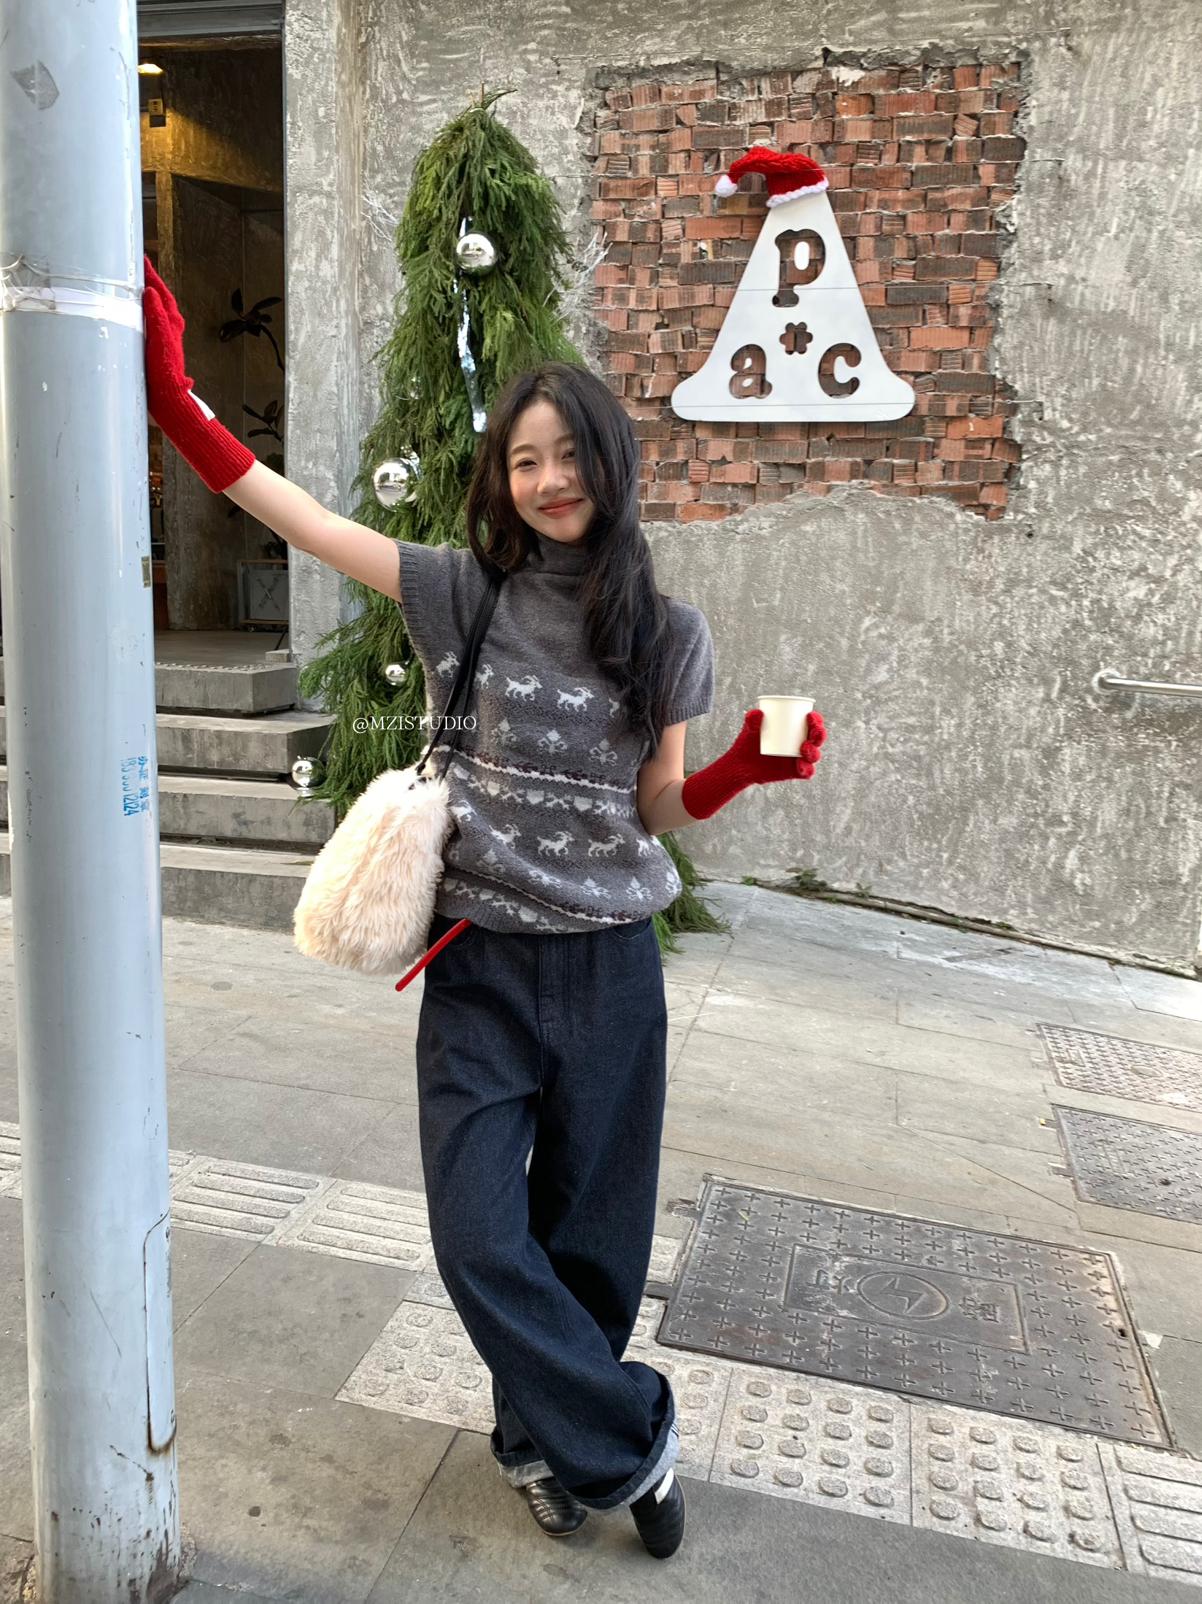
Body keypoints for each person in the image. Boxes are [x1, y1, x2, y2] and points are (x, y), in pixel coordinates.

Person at [141, 257, 826, 1559]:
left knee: (594, 1242)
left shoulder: (665, 631)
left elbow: (659, 805)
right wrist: (178, 400)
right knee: (475, 1236)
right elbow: (300, 517)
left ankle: (537, 1442)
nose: (549, 479)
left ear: (610, 465)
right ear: (499, 481)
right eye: (524, 461)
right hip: (480, 966)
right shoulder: (462, 591)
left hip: (611, 965)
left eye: (568, 455)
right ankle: (631, 1437)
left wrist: (741, 768)